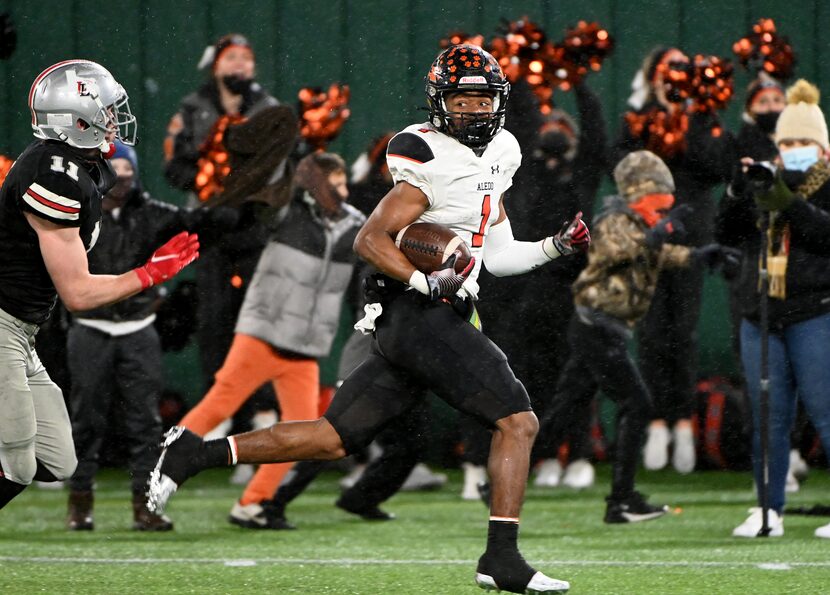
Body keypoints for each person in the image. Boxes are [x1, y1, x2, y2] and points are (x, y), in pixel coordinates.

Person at [149, 44, 590, 594]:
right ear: (439, 103)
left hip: (431, 308)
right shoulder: (424, 153)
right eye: (462, 99)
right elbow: (370, 238)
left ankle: (195, 450)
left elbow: (495, 255)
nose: (475, 110)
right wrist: (427, 280)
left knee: (335, 438)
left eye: (483, 98)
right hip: (414, 306)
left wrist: (554, 246)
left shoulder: (502, 151)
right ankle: (501, 558)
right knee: (518, 422)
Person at [0, 59, 198, 510]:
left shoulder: (74, 166)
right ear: (77, 120)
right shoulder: (51, 175)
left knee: (57, 458)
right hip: (2, 325)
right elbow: (79, 293)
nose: (114, 119)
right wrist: (148, 275)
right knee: (17, 467)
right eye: (106, 111)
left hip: (21, 330)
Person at [537, 150, 739, 523]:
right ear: (637, 197)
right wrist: (659, 232)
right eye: (657, 207)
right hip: (595, 326)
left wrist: (700, 256)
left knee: (564, 409)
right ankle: (622, 500)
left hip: (601, 328)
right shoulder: (616, 219)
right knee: (638, 404)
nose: (662, 216)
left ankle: (504, 475)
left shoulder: (641, 227)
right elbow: (616, 250)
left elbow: (658, 254)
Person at [169, 152, 365, 529]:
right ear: (313, 187)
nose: (344, 190)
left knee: (301, 433)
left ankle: (253, 503)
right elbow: (255, 207)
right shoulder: (284, 212)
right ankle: (163, 470)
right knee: (218, 406)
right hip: (263, 333)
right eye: (335, 184)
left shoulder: (353, 225)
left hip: (304, 346)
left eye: (344, 182)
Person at [65, 141, 220, 531]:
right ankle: (79, 502)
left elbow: (205, 223)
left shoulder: (152, 214)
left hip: (137, 326)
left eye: (129, 170)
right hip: (90, 326)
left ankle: (145, 504)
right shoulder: (78, 213)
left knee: (145, 422)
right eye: (118, 169)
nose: (125, 177)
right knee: (85, 420)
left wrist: (230, 198)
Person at [716, 79, 830, 538]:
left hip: (815, 309)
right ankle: (769, 509)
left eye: (805, 141)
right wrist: (736, 191)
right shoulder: (766, 180)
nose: (795, 149)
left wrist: (789, 204)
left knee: (825, 411)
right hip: (761, 312)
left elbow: (825, 234)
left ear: (822, 147)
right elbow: (725, 232)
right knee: (768, 416)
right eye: (787, 142)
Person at [615, 46, 734, 474]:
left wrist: (691, 117)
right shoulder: (640, 116)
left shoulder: (702, 114)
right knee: (649, 331)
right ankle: (655, 423)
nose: (674, 80)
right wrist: (647, 114)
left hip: (691, 232)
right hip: (645, 233)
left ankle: (683, 421)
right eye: (667, 73)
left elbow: (716, 166)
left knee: (682, 331)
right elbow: (620, 159)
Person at [163, 33, 283, 422]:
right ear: (215, 64)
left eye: (246, 58)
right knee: (214, 322)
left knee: (259, 322)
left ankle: (264, 411)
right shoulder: (193, 108)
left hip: (254, 230)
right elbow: (175, 167)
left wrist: (245, 195)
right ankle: (219, 413)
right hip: (211, 229)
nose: (240, 65)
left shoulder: (268, 108)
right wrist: (208, 182)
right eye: (231, 57)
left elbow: (281, 169)